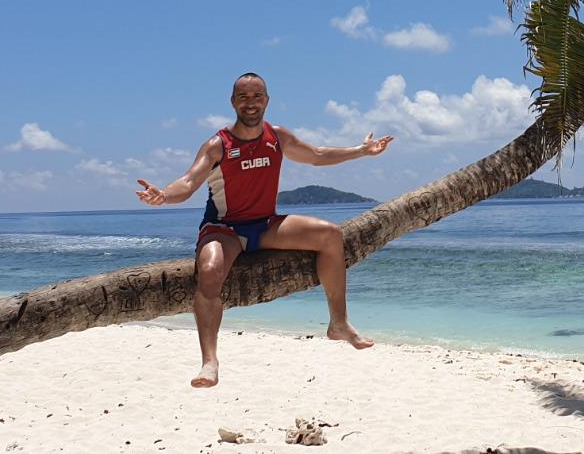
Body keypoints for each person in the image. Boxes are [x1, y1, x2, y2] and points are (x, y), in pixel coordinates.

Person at [135, 72, 394, 388]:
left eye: (257, 96)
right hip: (224, 228)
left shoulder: (277, 137)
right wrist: (163, 195)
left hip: (265, 224)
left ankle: (338, 324)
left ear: (267, 101)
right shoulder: (218, 145)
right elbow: (188, 183)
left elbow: (317, 156)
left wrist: (361, 150)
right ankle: (209, 361)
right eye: (243, 97)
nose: (251, 103)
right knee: (211, 270)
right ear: (233, 102)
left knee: (330, 235)